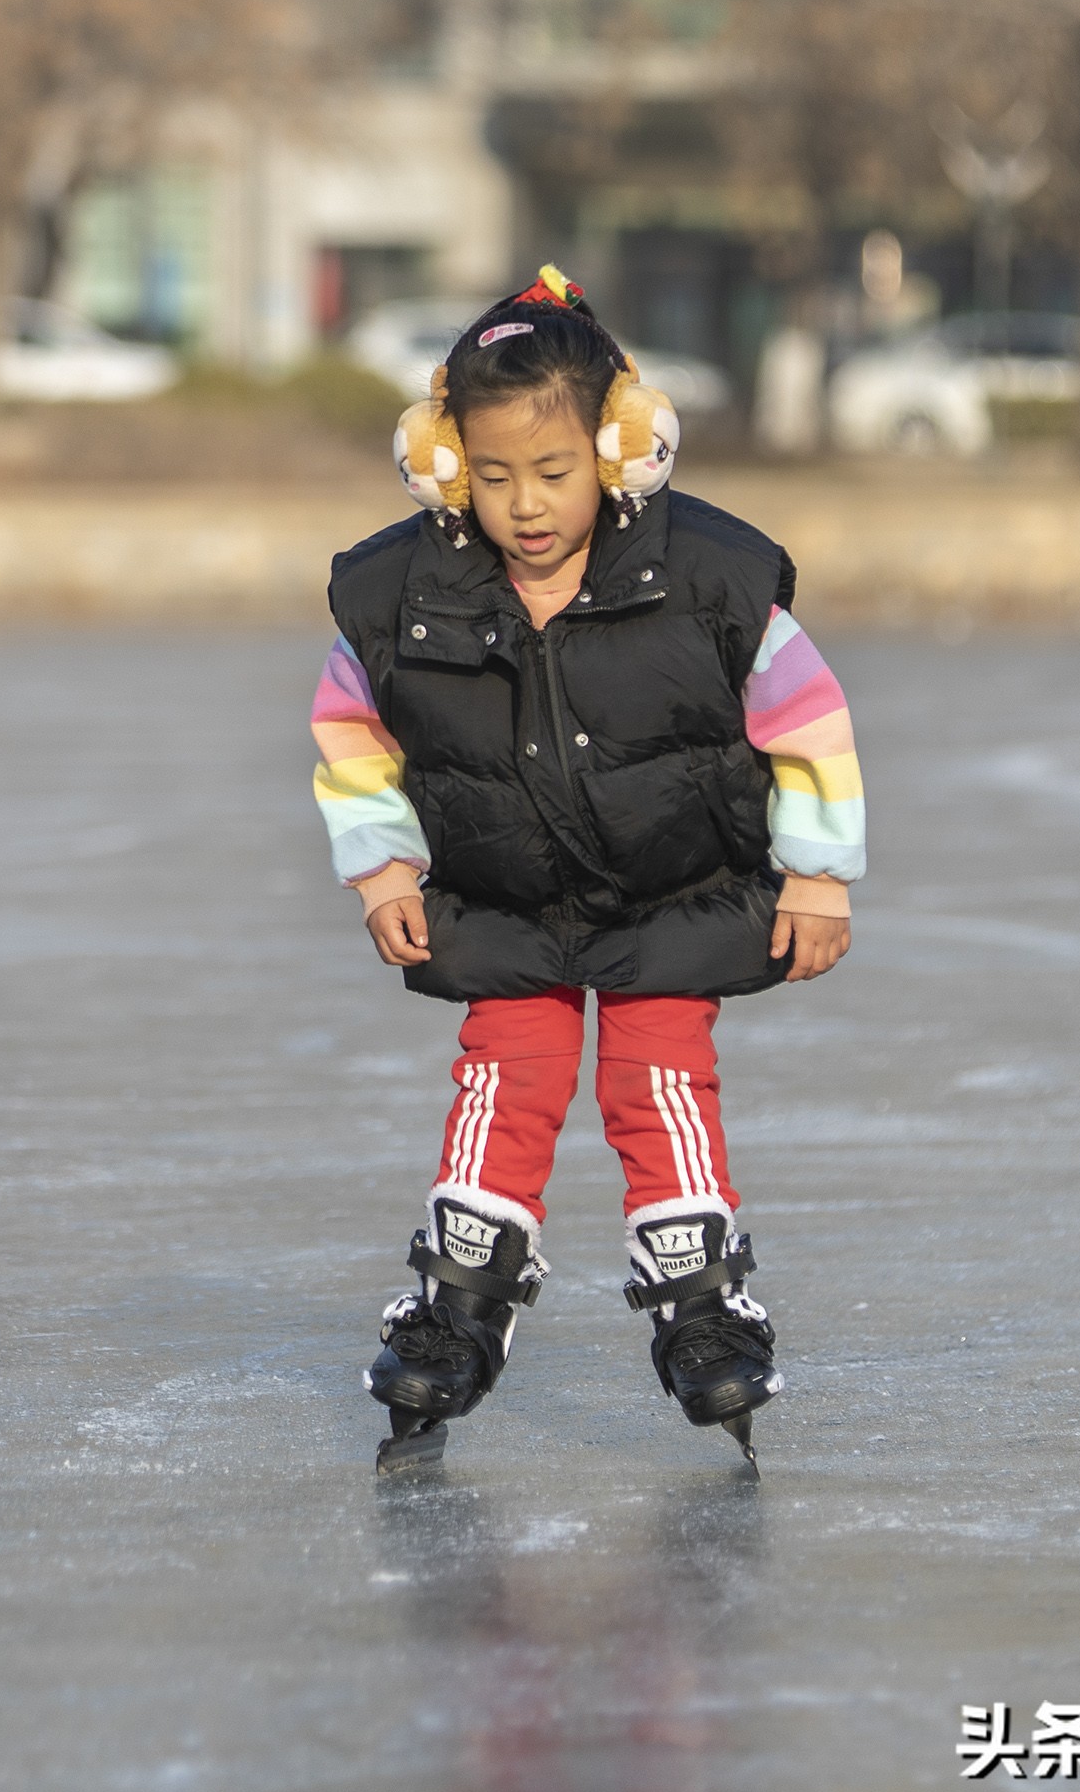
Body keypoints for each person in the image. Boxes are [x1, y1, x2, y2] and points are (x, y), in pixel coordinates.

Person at [312, 267, 864, 1471]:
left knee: (657, 1081)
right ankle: (459, 1302)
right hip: (504, 897)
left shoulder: (710, 576)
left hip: (674, 892)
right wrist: (384, 872)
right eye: (495, 476)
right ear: (445, 462)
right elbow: (351, 734)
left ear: (622, 448)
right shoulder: (403, 592)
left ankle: (700, 1296)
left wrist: (816, 875)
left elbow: (808, 720)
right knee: (503, 1087)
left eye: (554, 473)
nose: (526, 506)